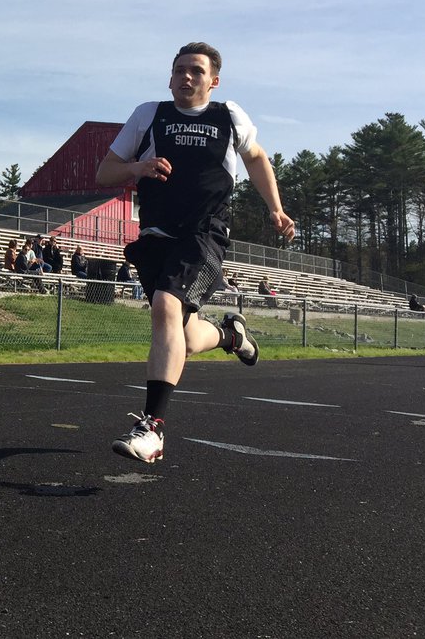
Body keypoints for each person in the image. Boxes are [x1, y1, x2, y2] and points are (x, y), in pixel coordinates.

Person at [96, 41, 294, 463]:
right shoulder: (149, 115)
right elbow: (104, 171)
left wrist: (275, 209)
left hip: (204, 233)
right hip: (155, 236)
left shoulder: (229, 116)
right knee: (182, 335)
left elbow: (257, 159)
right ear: (170, 78)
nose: (187, 77)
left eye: (196, 71)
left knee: (166, 308)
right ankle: (229, 334)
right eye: (180, 70)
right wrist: (137, 168)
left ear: (213, 81)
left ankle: (151, 428)